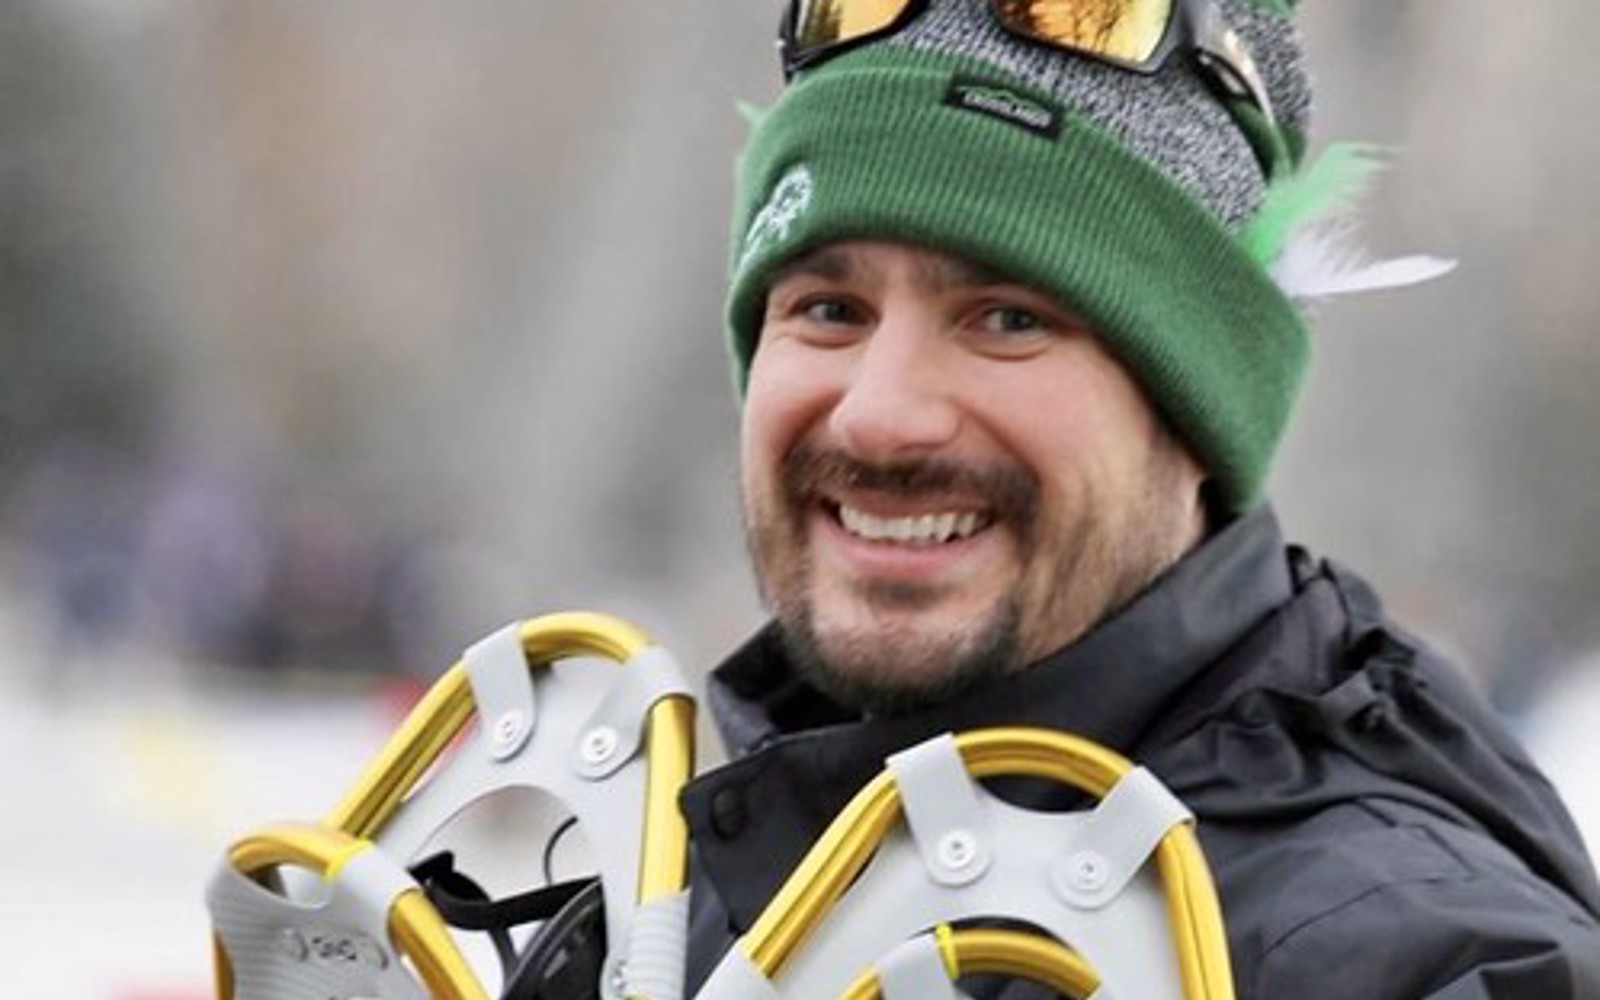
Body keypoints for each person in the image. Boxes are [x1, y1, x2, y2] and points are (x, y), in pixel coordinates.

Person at [674, 0, 1600, 996]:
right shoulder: (729, 856)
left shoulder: (1401, 959)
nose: (877, 415)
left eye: (1007, 319)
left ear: (1197, 410)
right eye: (828, 310)